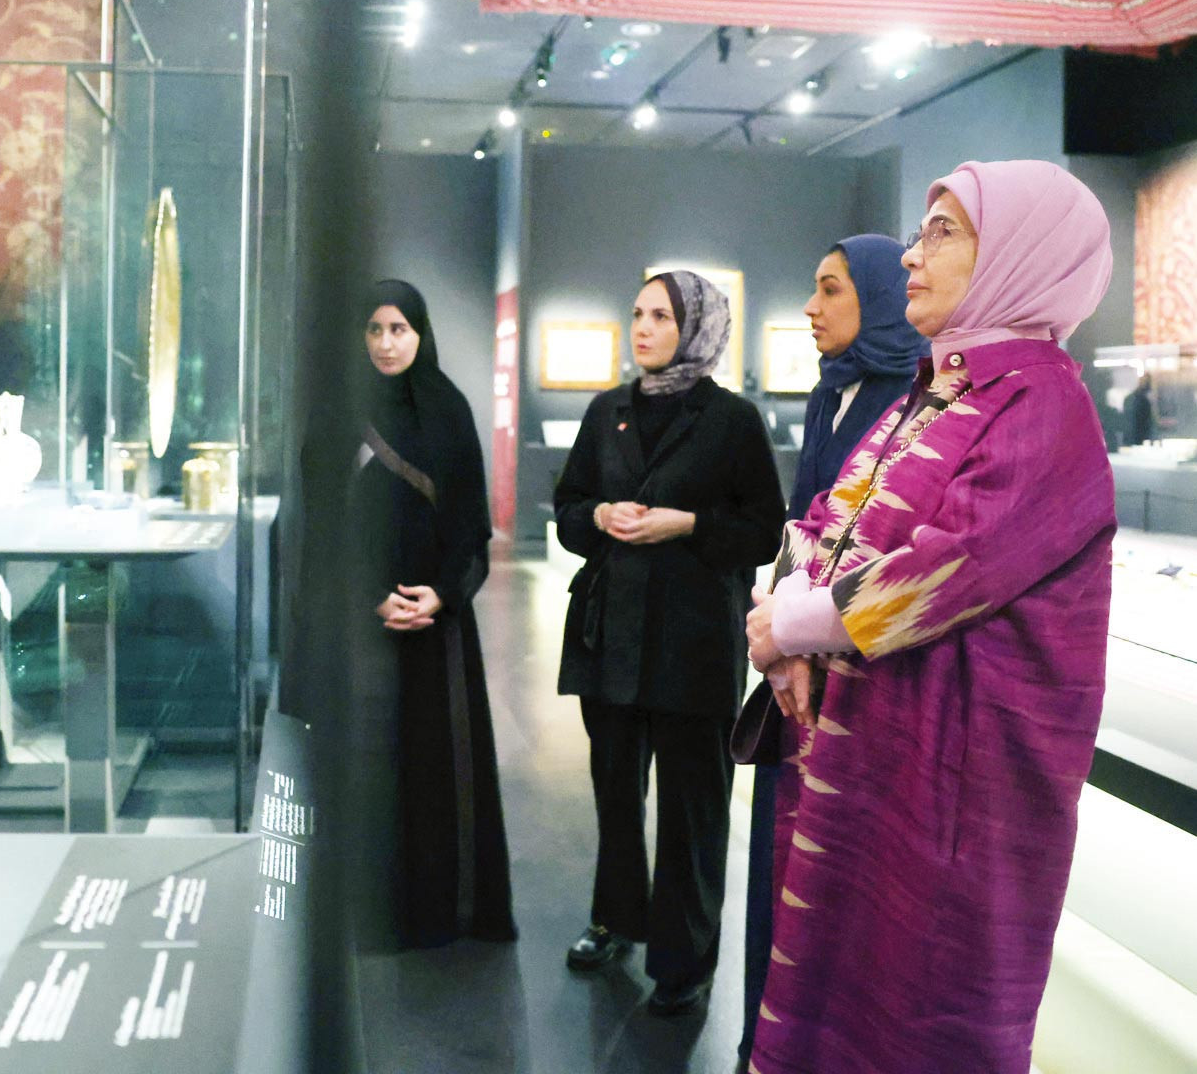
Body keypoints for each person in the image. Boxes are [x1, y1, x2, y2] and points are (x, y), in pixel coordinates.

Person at [745, 160, 1116, 1074]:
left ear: (1019, 254)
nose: (914, 255)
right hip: (862, 755)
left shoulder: (1043, 404)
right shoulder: (937, 386)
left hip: (950, 790)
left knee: (916, 1010)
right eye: (920, 234)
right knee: (833, 985)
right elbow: (823, 519)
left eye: (943, 233)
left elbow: (942, 573)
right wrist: (781, 618)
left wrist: (788, 628)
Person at [554, 270, 785, 1016]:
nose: (644, 328)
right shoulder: (608, 411)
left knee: (693, 807)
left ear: (698, 329)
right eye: (638, 313)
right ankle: (615, 919)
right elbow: (568, 509)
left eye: (662, 315)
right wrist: (601, 517)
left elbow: (764, 531)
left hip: (694, 644)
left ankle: (685, 958)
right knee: (617, 795)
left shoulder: (732, 420)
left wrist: (684, 524)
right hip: (611, 634)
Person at [738, 236, 923, 1065]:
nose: (811, 308)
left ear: (876, 298)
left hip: (853, 672)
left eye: (831, 289)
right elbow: (800, 522)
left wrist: (802, 626)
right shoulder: (831, 392)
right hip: (792, 663)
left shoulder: (912, 401)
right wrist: (778, 629)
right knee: (776, 868)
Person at [350, 280, 516, 947]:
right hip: (362, 624)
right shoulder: (342, 413)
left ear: (420, 334)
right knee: (369, 763)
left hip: (436, 626)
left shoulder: (448, 409)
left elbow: (472, 526)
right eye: (374, 329)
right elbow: (322, 524)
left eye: (399, 329)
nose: (387, 344)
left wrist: (441, 594)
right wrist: (369, 594)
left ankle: (443, 910)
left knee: (436, 767)